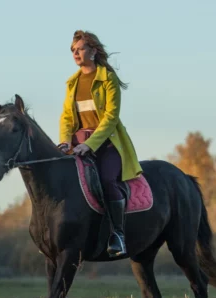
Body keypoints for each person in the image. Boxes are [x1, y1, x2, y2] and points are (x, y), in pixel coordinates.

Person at [57, 30, 143, 257]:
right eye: (73, 50)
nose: (76, 53)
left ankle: (118, 235)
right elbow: (67, 117)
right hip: (77, 145)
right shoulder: (72, 83)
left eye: (81, 48)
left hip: (107, 144)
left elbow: (111, 117)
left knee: (106, 180)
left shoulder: (108, 78)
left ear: (93, 51)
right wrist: (65, 141)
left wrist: (91, 145)